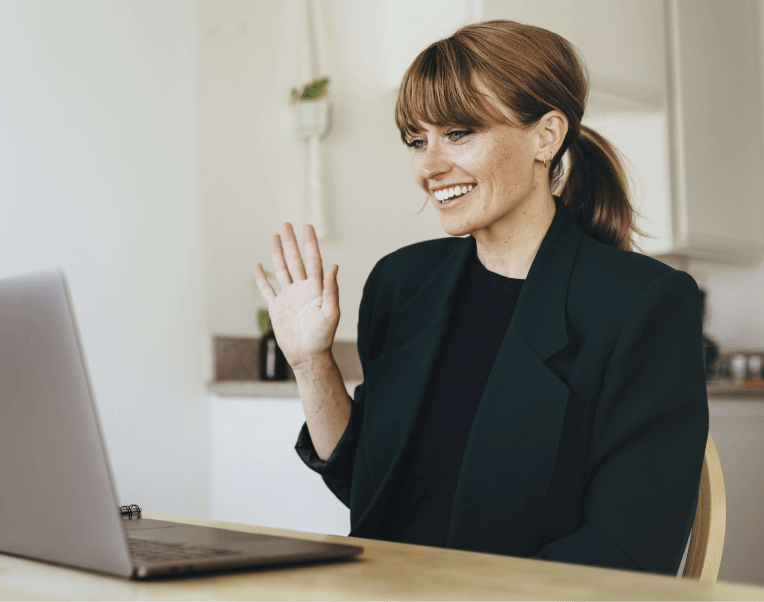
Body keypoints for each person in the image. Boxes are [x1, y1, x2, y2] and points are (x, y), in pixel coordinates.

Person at [252, 19, 708, 576]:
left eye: (460, 133)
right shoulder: (401, 284)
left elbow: (629, 553)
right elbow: (372, 493)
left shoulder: (644, 305)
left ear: (546, 136)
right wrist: (310, 362)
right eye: (418, 140)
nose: (429, 166)